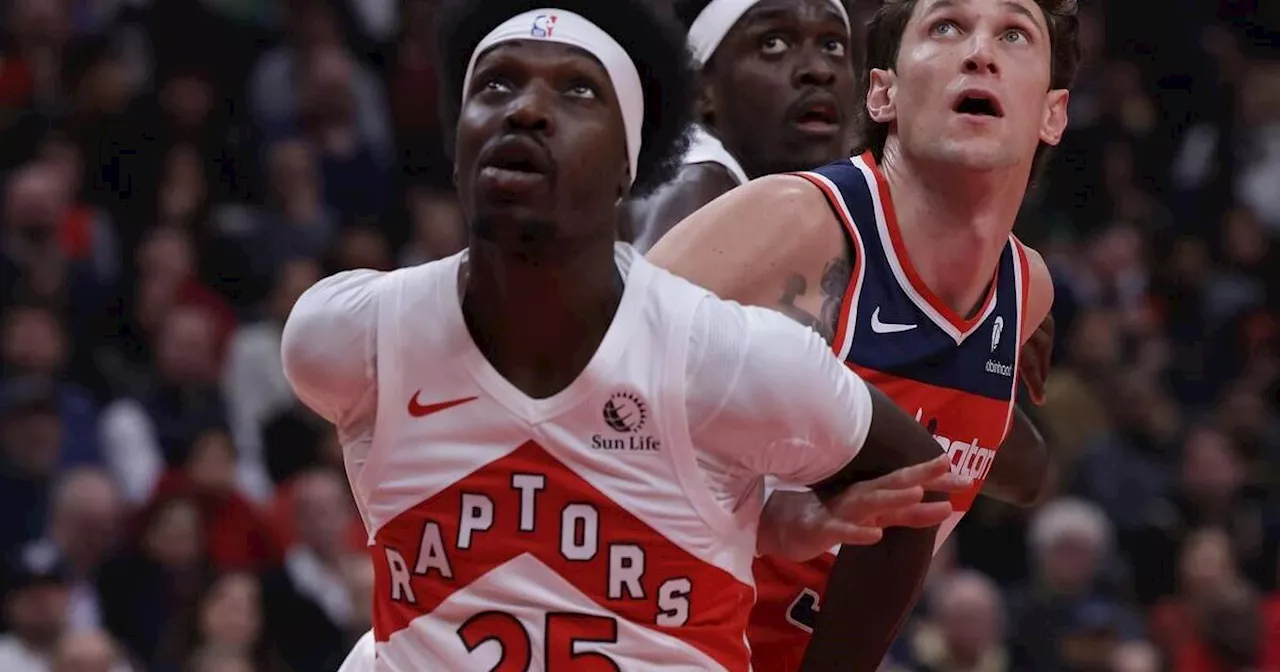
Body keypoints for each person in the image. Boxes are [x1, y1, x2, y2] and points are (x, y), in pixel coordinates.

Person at [282, 0, 969, 668]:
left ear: (627, 167)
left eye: (578, 90)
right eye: (496, 84)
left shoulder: (723, 355)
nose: (524, 109)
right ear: (457, 148)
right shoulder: (351, 334)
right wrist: (761, 521)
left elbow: (919, 479)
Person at [648, 0, 1079, 668]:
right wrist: (763, 524)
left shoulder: (1028, 289)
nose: (980, 52)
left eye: (1015, 33)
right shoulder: (791, 224)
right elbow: (573, 391)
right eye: (945, 26)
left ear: (1053, 113)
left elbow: (985, 464)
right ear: (883, 92)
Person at [623, 0, 859, 250]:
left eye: (833, 46)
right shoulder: (697, 185)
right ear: (701, 90)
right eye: (773, 44)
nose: (819, 70)